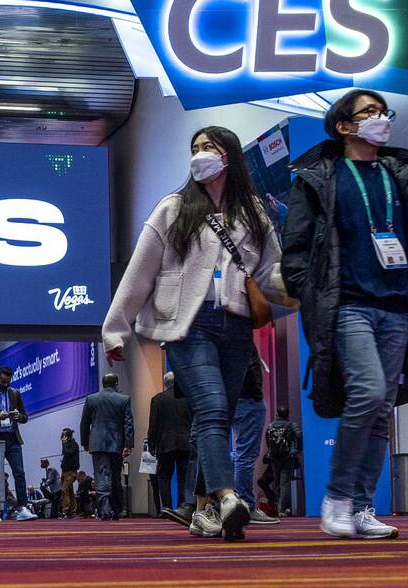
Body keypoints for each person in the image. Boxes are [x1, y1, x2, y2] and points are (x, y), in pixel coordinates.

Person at [282, 89, 408, 540]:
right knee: (368, 394)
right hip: (348, 303)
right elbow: (295, 248)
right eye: (367, 112)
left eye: (381, 111)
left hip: (397, 305)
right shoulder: (320, 177)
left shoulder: (400, 173)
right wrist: (308, 293)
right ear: (344, 126)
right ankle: (335, 497)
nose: (380, 119)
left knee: (381, 410)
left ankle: (361, 507)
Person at [102, 125, 292, 542]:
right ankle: (227, 498)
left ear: (229, 157)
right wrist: (116, 329)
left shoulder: (254, 212)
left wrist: (304, 287)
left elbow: (272, 273)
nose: (200, 154)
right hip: (187, 325)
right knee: (210, 407)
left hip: (237, 323)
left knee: (219, 414)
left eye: (210, 147)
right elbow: (140, 271)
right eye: (195, 147)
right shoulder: (173, 208)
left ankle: (202, 509)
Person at [0, 366, 38, 521]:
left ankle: (22, 508)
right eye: (3, 381)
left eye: (8, 381)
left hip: (12, 437)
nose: (6, 384)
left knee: (19, 473)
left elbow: (25, 417)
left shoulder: (15, 393)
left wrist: (18, 416)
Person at [80, 372, 134, 520]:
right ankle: (117, 510)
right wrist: (128, 444)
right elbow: (128, 424)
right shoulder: (124, 399)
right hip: (116, 443)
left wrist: (85, 442)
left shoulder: (91, 399)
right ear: (116, 384)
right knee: (116, 476)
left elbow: (84, 423)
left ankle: (104, 509)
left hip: (97, 443)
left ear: (103, 384)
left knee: (101, 475)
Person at [231, 352, 277, 524]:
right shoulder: (241, 334)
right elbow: (249, 367)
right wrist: (257, 394)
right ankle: (247, 505)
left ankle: (231, 501)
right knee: (245, 456)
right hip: (248, 400)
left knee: (238, 454)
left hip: (234, 398)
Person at [148, 371, 194, 524]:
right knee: (184, 477)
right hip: (185, 443)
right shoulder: (188, 398)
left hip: (165, 443)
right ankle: (183, 506)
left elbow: (153, 425)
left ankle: (167, 507)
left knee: (164, 476)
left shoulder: (157, 399)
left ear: (165, 383)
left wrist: (151, 444)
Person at [265, 405, 301, 517]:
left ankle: (279, 507)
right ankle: (282, 509)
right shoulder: (291, 425)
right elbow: (299, 436)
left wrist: (271, 451)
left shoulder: (271, 426)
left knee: (277, 483)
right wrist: (297, 449)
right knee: (285, 482)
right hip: (287, 457)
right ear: (287, 415)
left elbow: (268, 439)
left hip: (274, 458)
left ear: (277, 414)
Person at [59, 428, 80, 518]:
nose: (61, 437)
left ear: (66, 436)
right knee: (70, 491)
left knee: (64, 489)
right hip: (65, 471)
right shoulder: (68, 444)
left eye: (63, 435)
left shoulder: (73, 444)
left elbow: (68, 453)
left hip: (71, 471)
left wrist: (64, 443)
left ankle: (66, 510)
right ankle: (72, 511)